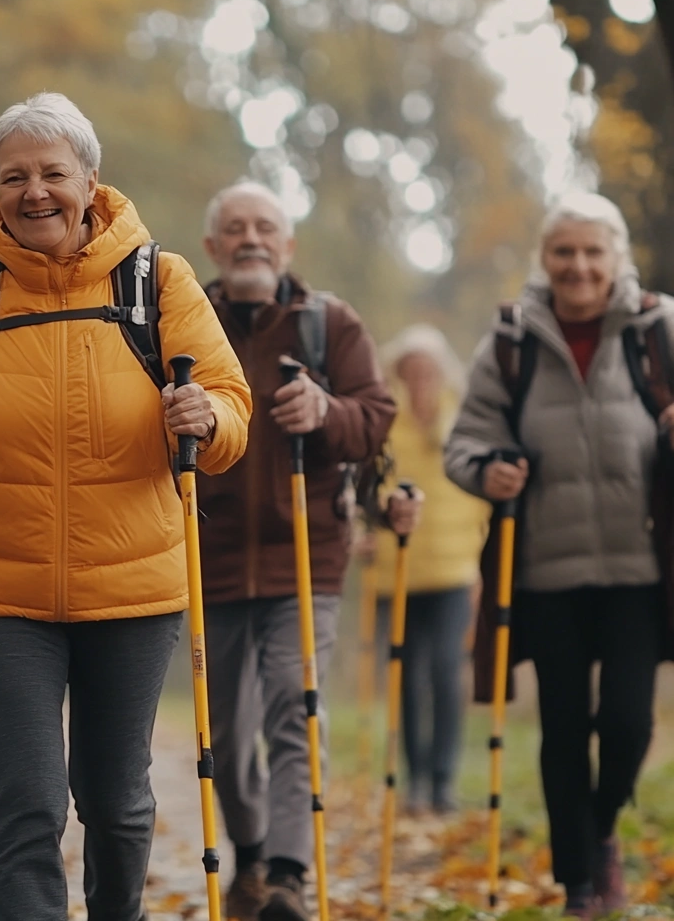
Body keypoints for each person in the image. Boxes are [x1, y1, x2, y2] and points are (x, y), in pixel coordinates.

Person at [0, 92, 252, 921]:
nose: (35, 193)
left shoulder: (157, 279)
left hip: (133, 582)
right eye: (14, 176)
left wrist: (208, 418)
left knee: (116, 801)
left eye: (53, 173)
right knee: (26, 803)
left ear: (90, 181)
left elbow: (230, 407)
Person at [445, 191, 674, 920]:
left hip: (639, 570)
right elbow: (465, 443)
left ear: (617, 259)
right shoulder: (512, 341)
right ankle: (580, 887)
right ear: (546, 260)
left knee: (631, 724)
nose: (579, 266)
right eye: (564, 252)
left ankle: (601, 829)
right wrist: (490, 471)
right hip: (546, 571)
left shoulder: (657, 330)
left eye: (593, 252)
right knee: (564, 730)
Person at [193, 181, 418, 921]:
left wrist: (325, 410)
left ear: (287, 245)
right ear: (213, 248)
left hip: (305, 556)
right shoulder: (185, 320)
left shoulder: (331, 323)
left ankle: (287, 877)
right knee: (223, 729)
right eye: (235, 228)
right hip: (211, 558)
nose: (250, 238)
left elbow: (376, 416)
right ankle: (252, 852)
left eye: (265, 227)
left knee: (295, 707)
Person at [370, 324, 488, 816]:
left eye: (429, 370)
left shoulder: (461, 421)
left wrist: (483, 565)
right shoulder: (384, 423)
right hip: (394, 572)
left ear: (442, 373)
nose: (421, 379)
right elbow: (370, 488)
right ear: (399, 372)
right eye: (412, 369)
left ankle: (442, 781)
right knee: (405, 676)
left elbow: (479, 499)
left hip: (453, 574)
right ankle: (415, 781)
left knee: (445, 672)